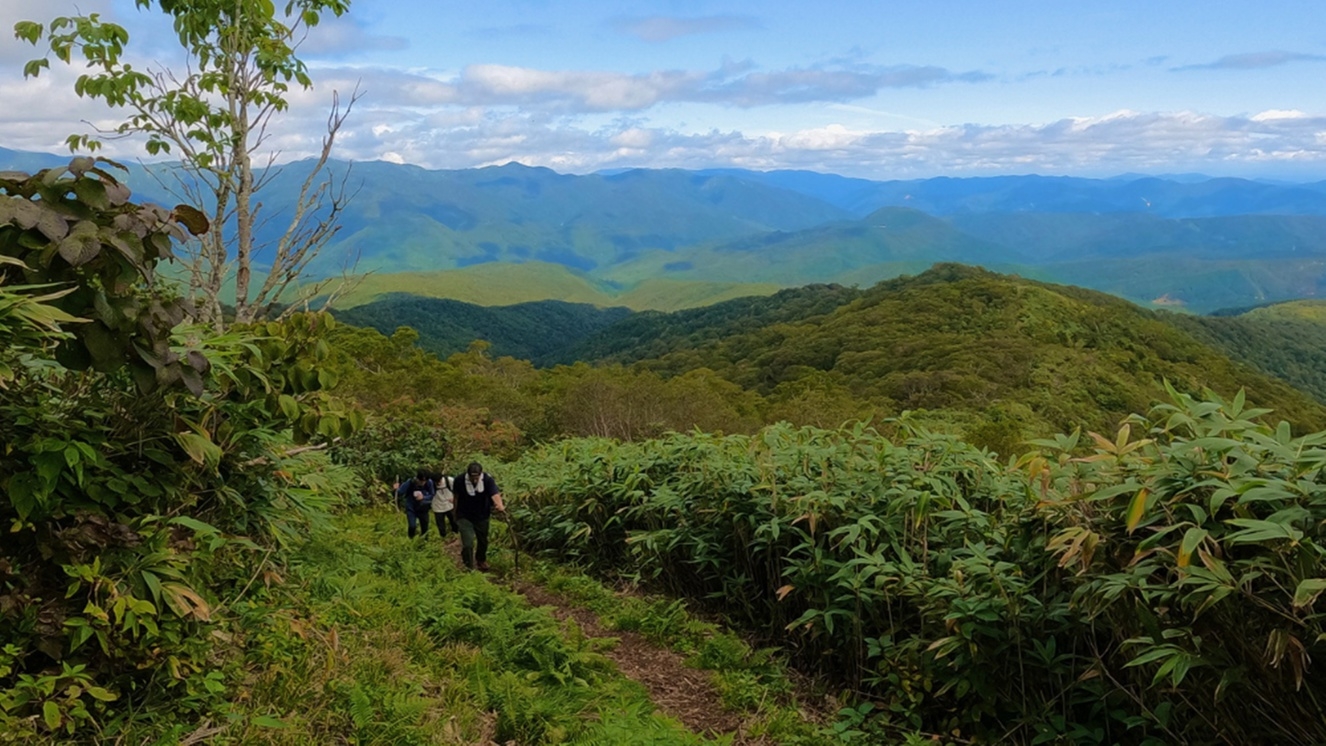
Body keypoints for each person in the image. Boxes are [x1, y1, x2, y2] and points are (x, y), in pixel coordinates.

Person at [454, 461, 505, 571]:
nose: (475, 480)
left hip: (482, 515)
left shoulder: (487, 480)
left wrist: (499, 504)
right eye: (472, 477)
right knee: (468, 543)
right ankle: (468, 566)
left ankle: (481, 560)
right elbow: (456, 497)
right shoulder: (459, 480)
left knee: (483, 540)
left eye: (477, 477)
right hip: (464, 515)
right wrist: (455, 515)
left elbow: (494, 493)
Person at [394, 469, 436, 539]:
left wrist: (423, 497)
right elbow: (400, 492)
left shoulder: (429, 483)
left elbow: (432, 495)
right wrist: (396, 489)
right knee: (412, 526)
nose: (423, 483)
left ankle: (425, 542)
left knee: (425, 528)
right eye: (421, 481)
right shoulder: (410, 482)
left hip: (423, 508)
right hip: (411, 507)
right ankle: (411, 540)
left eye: (424, 481)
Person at [430, 469, 458, 539]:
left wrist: (454, 498)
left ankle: (455, 534)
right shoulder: (431, 483)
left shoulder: (449, 480)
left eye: (439, 481)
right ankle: (443, 537)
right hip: (437, 506)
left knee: (454, 521)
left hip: (450, 504)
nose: (438, 483)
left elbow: (458, 489)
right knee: (440, 524)